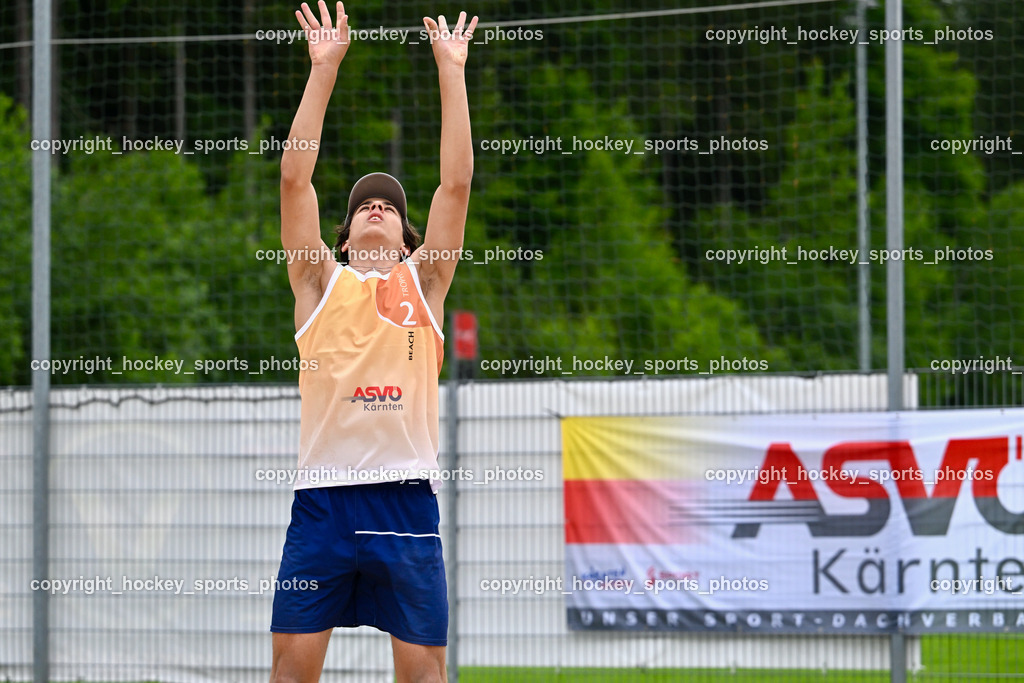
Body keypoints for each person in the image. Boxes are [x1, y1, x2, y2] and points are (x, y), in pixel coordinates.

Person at [270, 2, 477, 681]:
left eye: (388, 203)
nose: (377, 206)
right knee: (291, 669)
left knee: (424, 671)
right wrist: (323, 69)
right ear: (345, 234)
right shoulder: (316, 282)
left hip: (404, 500)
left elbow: (456, 182)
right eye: (364, 203)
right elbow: (294, 179)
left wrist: (452, 71)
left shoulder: (427, 282)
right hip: (323, 501)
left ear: (409, 239)